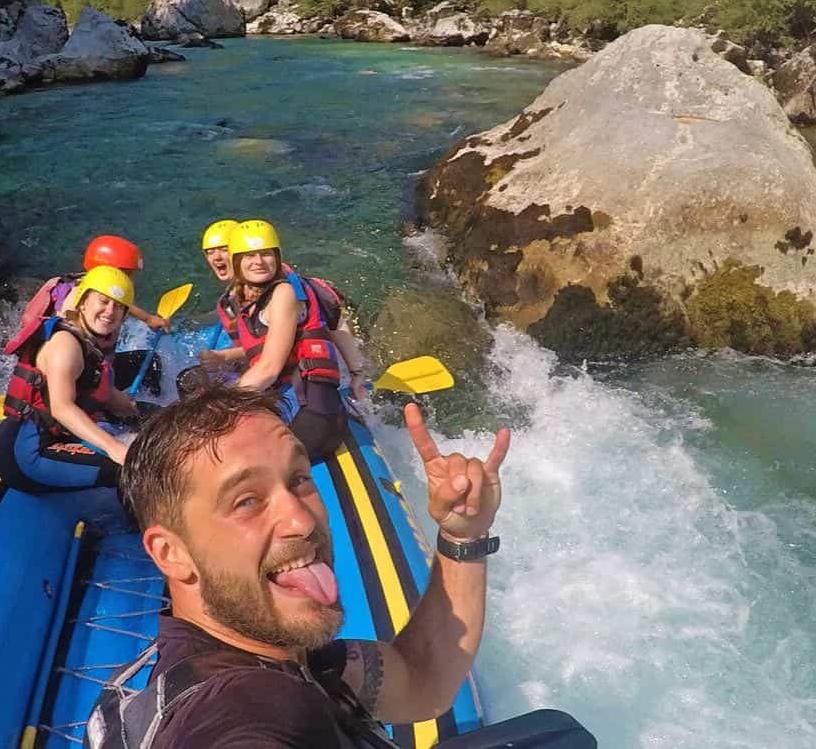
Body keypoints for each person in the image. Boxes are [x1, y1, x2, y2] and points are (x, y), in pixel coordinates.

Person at [87, 386, 511, 748]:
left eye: (299, 480)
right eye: (246, 501)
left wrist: (462, 537)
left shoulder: (271, 652)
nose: (302, 520)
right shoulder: (248, 707)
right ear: (170, 553)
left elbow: (423, 681)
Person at [207, 219, 370, 459]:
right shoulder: (247, 303)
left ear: (277, 256)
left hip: (314, 416)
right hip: (290, 404)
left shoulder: (284, 293)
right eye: (249, 256)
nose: (259, 261)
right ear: (237, 263)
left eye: (266, 254)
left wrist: (220, 405)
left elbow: (269, 368)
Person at [0, 266, 140, 493]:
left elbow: (86, 387)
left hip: (51, 436)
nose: (109, 311)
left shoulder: (87, 341)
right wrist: (114, 447)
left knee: (149, 419)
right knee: (132, 470)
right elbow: (61, 408)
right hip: (28, 455)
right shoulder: (65, 345)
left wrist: (117, 401)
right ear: (83, 302)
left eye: (118, 306)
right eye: (103, 301)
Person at [5, 235, 166, 393]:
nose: (132, 282)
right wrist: (112, 398)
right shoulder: (73, 306)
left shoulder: (88, 288)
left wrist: (148, 318)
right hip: (72, 380)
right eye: (128, 275)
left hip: (80, 370)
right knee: (151, 363)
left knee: (150, 361)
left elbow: (124, 304)